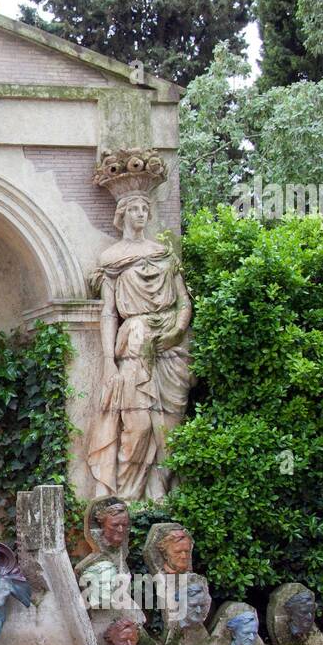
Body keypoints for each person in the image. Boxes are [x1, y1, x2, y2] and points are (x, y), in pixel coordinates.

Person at [87, 189, 193, 501]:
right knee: (139, 424)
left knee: (171, 428)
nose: (141, 214)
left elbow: (184, 302)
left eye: (144, 208)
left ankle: (159, 489)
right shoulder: (112, 259)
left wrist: (176, 332)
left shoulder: (164, 253)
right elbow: (108, 312)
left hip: (172, 344)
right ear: (121, 215)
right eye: (134, 208)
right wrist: (108, 361)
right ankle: (125, 499)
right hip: (133, 340)